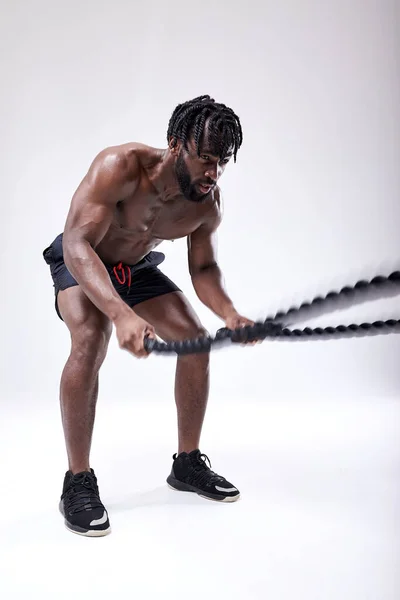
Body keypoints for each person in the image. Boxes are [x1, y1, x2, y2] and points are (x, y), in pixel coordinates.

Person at [43, 94, 255, 537]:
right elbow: (76, 243)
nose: (213, 174)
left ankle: (187, 463)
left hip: (134, 268)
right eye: (206, 160)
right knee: (91, 336)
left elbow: (203, 269)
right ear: (177, 145)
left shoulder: (205, 204)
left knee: (194, 341)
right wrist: (120, 315)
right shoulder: (119, 166)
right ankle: (77, 481)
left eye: (222, 163)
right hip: (83, 259)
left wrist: (231, 315)